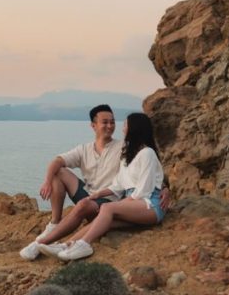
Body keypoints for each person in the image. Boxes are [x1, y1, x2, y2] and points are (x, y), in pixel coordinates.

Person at [40, 112, 167, 261]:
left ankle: (84, 244)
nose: (122, 129)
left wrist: (121, 204)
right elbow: (118, 184)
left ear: (134, 128)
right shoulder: (128, 155)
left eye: (125, 125)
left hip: (150, 204)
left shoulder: (147, 153)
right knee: (102, 220)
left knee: (107, 208)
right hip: (134, 203)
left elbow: (144, 190)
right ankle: (66, 245)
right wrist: (98, 194)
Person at [18, 104, 122, 260]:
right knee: (58, 172)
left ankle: (40, 243)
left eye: (112, 122)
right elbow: (57, 161)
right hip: (89, 196)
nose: (110, 126)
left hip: (108, 202)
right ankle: (54, 224)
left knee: (83, 204)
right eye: (105, 122)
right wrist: (47, 181)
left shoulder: (122, 148)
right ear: (93, 125)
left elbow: (142, 167)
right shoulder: (85, 149)